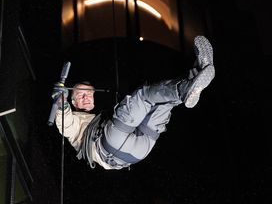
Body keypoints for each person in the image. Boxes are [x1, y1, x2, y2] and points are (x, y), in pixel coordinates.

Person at [53, 36, 215, 170]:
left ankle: (195, 78)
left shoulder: (101, 115)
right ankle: (191, 81)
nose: (85, 96)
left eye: (88, 92)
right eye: (80, 94)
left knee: (163, 101)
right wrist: (62, 103)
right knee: (144, 95)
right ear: (73, 101)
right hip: (109, 144)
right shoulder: (75, 120)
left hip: (138, 152)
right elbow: (65, 124)